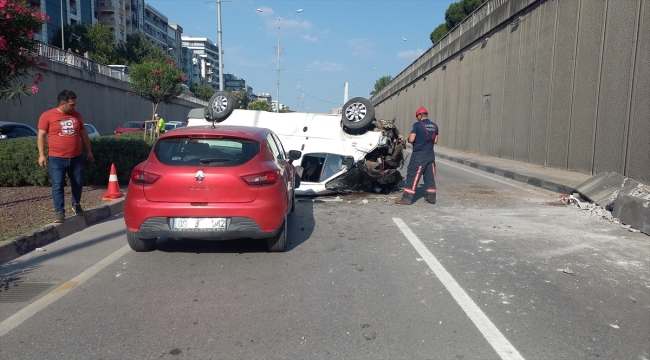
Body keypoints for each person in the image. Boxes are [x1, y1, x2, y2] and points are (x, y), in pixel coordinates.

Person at [37, 90, 95, 223]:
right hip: (57, 158)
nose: (75, 107)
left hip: (76, 157)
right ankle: (60, 212)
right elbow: (41, 135)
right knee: (58, 185)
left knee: (78, 182)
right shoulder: (48, 116)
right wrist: (41, 155)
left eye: (75, 104)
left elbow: (83, 133)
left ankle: (76, 204)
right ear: (62, 104)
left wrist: (89, 151)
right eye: (72, 105)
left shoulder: (77, 116)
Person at [396, 107, 439, 205]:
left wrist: (409, 139)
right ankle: (431, 198)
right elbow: (435, 141)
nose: (417, 119)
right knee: (430, 176)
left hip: (419, 155)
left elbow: (411, 139)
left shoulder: (417, 125)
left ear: (420, 115)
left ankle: (407, 199)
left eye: (417, 117)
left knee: (413, 174)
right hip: (430, 155)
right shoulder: (435, 126)